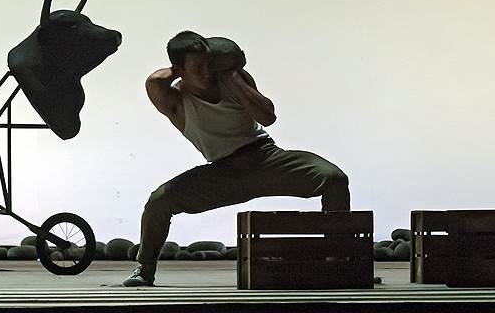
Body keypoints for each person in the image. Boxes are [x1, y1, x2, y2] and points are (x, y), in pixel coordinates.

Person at [123, 31, 350, 287]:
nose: (207, 73)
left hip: (267, 159)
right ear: (179, 70)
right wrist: (181, 68)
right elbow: (154, 80)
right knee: (158, 202)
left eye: (210, 64)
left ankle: (342, 263)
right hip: (223, 173)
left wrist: (231, 75)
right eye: (198, 68)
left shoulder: (234, 79)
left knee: (334, 178)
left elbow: (267, 117)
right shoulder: (174, 99)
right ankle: (144, 270)